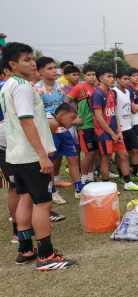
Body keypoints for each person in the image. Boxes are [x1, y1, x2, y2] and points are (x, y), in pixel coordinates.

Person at [1, 42, 76, 270]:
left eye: (33, 58)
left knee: (24, 198)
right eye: (26, 60)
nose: (32, 63)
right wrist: (43, 156)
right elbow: (26, 121)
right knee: (42, 204)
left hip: (16, 154)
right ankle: (46, 256)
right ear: (13, 64)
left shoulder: (8, 85)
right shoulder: (23, 87)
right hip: (31, 155)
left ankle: (25, 250)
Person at [34, 57, 81, 201]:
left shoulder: (60, 87)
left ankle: (79, 189)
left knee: (73, 158)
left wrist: (73, 118)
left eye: (55, 67)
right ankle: (52, 191)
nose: (54, 71)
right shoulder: (37, 89)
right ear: (41, 72)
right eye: (50, 68)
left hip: (64, 130)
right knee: (52, 162)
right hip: (49, 132)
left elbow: (64, 107)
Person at [91, 66, 138, 191]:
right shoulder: (97, 94)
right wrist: (111, 133)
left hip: (115, 131)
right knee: (107, 158)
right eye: (108, 76)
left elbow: (114, 113)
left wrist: (118, 131)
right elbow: (99, 118)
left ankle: (127, 182)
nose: (112, 79)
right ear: (100, 78)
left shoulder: (110, 93)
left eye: (112, 76)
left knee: (124, 155)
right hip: (104, 133)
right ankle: (107, 186)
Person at [112, 70, 138, 182]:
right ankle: (121, 175)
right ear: (118, 79)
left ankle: (136, 173)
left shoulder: (127, 92)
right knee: (121, 154)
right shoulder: (114, 92)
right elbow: (113, 110)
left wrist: (130, 121)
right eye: (125, 79)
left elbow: (128, 108)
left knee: (136, 149)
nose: (127, 81)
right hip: (120, 128)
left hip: (129, 126)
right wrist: (116, 125)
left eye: (128, 79)